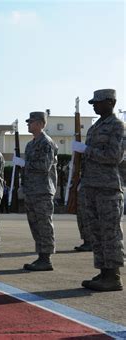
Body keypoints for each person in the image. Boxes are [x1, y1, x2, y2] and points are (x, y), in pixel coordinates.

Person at [72, 89, 124, 291]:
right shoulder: (95, 127)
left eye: (98, 102)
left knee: (109, 232)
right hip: (91, 186)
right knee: (95, 232)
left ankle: (113, 276)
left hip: (107, 188)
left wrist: (86, 150)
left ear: (111, 102)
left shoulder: (117, 126)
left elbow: (114, 156)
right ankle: (104, 271)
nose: (94, 105)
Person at [13, 111, 58, 271]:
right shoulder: (31, 144)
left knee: (44, 223)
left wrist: (24, 164)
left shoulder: (46, 142)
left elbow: (44, 166)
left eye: (31, 122)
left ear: (39, 123)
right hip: (32, 190)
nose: (28, 124)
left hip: (43, 190)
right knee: (35, 224)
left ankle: (46, 258)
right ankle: (41, 256)